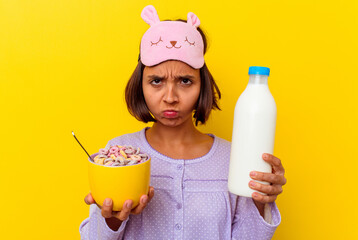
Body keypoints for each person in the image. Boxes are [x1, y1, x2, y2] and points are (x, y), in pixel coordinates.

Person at [80, 5, 286, 240]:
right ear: (140, 85)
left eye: (185, 81)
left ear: (202, 86)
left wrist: (262, 201)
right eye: (156, 81)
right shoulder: (119, 156)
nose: (170, 97)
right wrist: (112, 220)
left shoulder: (234, 159)